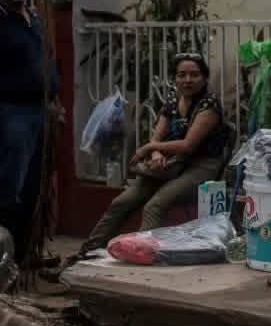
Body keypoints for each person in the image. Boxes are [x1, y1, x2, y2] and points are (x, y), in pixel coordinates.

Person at [78, 52, 230, 255]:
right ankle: (87, 252)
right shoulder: (172, 100)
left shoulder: (209, 105)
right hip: (171, 164)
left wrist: (149, 148)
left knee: (155, 205)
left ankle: (143, 255)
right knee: (121, 202)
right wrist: (156, 152)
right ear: (174, 78)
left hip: (202, 165)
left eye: (194, 75)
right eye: (181, 75)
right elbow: (157, 138)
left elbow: (187, 145)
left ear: (204, 78)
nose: (187, 80)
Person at [0, 0, 60, 265]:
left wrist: (56, 100)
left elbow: (48, 61)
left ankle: (25, 255)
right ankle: (5, 256)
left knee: (35, 186)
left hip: (41, 111)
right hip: (13, 111)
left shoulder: (33, 16)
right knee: (11, 185)